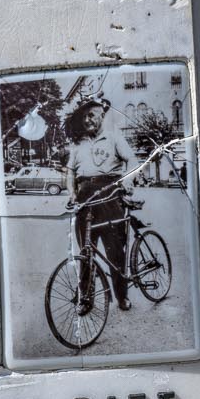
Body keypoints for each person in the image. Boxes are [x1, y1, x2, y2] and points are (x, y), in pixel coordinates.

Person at [68, 103, 132, 313]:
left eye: (91, 115)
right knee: (86, 250)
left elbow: (132, 159)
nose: (87, 120)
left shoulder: (114, 138)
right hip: (85, 198)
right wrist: (72, 194)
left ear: (102, 115)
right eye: (84, 117)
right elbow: (70, 173)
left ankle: (121, 297)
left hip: (109, 194)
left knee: (115, 251)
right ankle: (86, 298)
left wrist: (128, 181)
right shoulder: (78, 144)